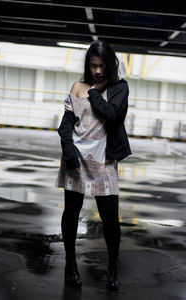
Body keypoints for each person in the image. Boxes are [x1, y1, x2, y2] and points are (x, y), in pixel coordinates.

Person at [55, 40, 132, 290]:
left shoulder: (119, 88)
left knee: (110, 218)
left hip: (104, 160)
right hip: (75, 158)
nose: (97, 70)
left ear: (111, 65)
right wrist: (68, 152)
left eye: (102, 65)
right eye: (93, 65)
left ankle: (112, 267)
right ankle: (70, 265)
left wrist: (95, 92)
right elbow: (66, 123)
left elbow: (111, 114)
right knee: (71, 214)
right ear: (88, 64)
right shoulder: (77, 86)